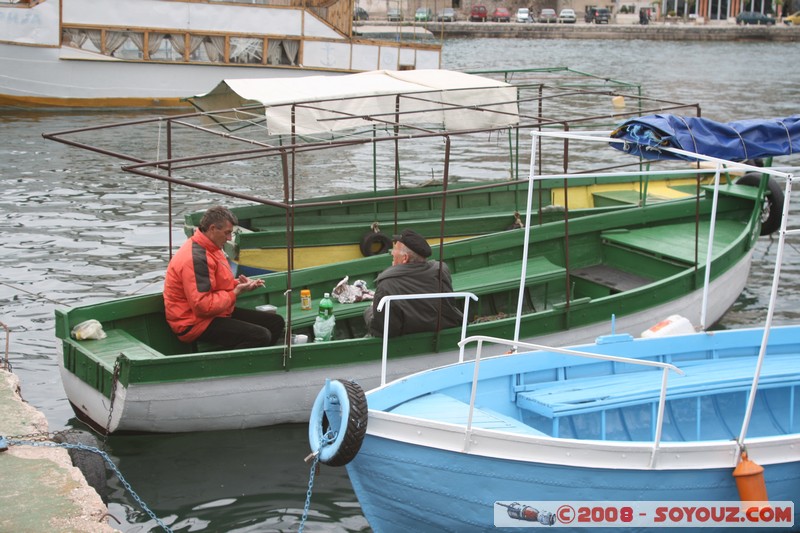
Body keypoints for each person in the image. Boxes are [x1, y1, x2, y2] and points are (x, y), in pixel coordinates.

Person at [163, 205, 285, 349]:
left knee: (276, 322)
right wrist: (236, 292)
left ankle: (261, 359)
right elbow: (203, 306)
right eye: (227, 233)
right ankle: (236, 362)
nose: (229, 238)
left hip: (214, 314)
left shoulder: (212, 246)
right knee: (260, 335)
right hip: (193, 323)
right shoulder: (196, 258)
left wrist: (238, 284)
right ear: (213, 228)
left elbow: (214, 285)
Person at [363, 229, 463, 338]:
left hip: (405, 344)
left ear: (405, 258)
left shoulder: (386, 285)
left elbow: (382, 331)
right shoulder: (442, 271)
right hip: (445, 339)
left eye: (395, 249)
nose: (392, 252)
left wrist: (369, 311)